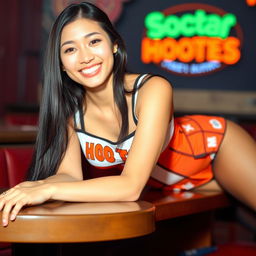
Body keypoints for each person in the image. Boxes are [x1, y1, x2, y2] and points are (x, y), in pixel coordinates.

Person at [0, 2, 256, 227]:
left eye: (94, 41)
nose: (86, 57)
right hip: (169, 182)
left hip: (215, 150)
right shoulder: (71, 113)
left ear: (113, 45)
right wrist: (36, 187)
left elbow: (131, 186)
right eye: (70, 49)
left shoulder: (152, 89)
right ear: (61, 65)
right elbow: (70, 175)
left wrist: (49, 190)